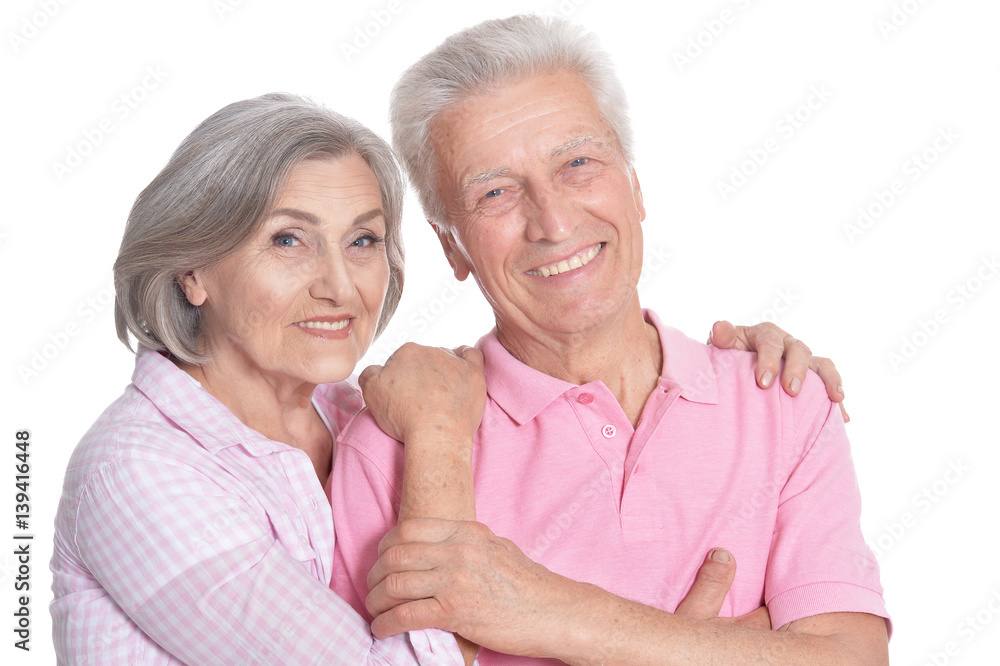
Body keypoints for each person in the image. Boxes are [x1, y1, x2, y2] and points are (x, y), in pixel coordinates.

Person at [48, 92, 824, 664]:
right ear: (192, 272)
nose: (339, 286)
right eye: (288, 240)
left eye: (362, 241)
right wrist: (699, 647)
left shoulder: (359, 414)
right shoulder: (136, 474)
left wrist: (748, 363)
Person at [329, 15, 891, 665]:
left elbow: (853, 658)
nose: (555, 220)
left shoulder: (784, 400)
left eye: (577, 163)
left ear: (635, 184)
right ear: (452, 245)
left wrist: (551, 612)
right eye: (495, 192)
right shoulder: (394, 447)